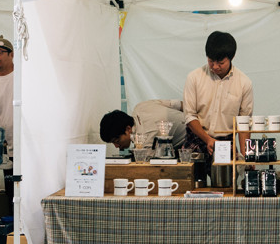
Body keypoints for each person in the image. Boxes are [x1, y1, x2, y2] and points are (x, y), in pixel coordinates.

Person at [182, 31, 253, 166]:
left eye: (220, 63)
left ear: (231, 58)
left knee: (226, 185)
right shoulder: (194, 77)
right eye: (210, 61)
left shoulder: (244, 83)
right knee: (194, 185)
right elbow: (190, 116)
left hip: (226, 143)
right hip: (196, 139)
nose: (215, 66)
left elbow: (244, 123)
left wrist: (246, 157)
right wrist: (208, 139)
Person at [100, 100, 187, 151]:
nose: (116, 146)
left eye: (117, 141)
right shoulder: (140, 106)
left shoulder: (145, 140)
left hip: (192, 141)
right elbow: (179, 104)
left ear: (128, 129)